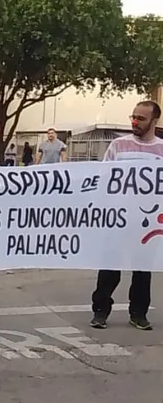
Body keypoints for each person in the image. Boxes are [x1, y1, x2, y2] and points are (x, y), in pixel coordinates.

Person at [90, 100, 163, 331]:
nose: (135, 121)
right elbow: (103, 180)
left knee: (142, 269)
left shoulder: (161, 149)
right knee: (110, 267)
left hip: (147, 222)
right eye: (133, 116)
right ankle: (100, 311)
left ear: (154, 121)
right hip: (118, 218)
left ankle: (139, 313)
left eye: (141, 118)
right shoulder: (118, 146)